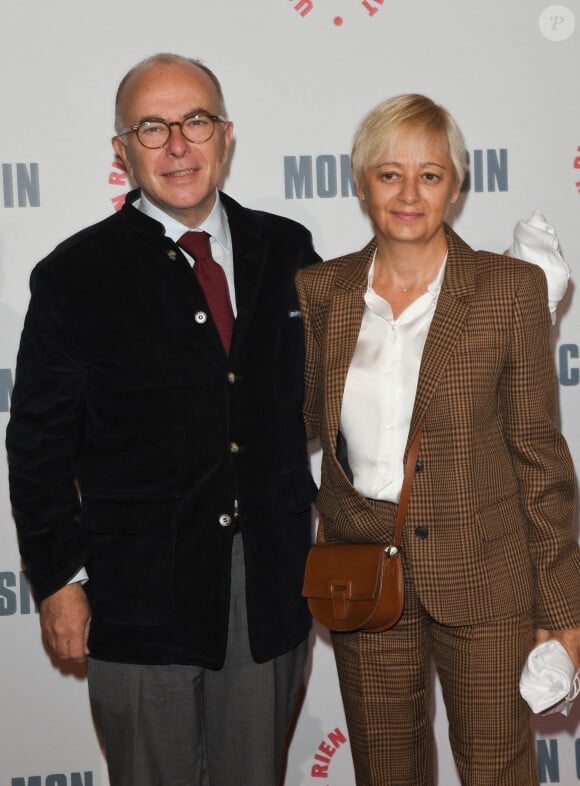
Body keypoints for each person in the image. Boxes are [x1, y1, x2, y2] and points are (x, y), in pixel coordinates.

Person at [6, 53, 320, 786]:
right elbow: (38, 447)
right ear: (122, 149)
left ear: (226, 135)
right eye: (153, 127)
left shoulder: (291, 251)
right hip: (137, 594)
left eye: (196, 122)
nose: (178, 145)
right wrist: (57, 580)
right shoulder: (73, 275)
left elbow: (334, 399)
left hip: (268, 588)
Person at [295, 93, 580, 785]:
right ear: (361, 183)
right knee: (386, 771)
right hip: (365, 574)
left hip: (487, 578)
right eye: (390, 173)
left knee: (494, 770)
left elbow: (539, 457)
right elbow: (299, 427)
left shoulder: (509, 289)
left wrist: (563, 609)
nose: (409, 193)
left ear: (456, 185)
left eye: (430, 173)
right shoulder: (320, 290)